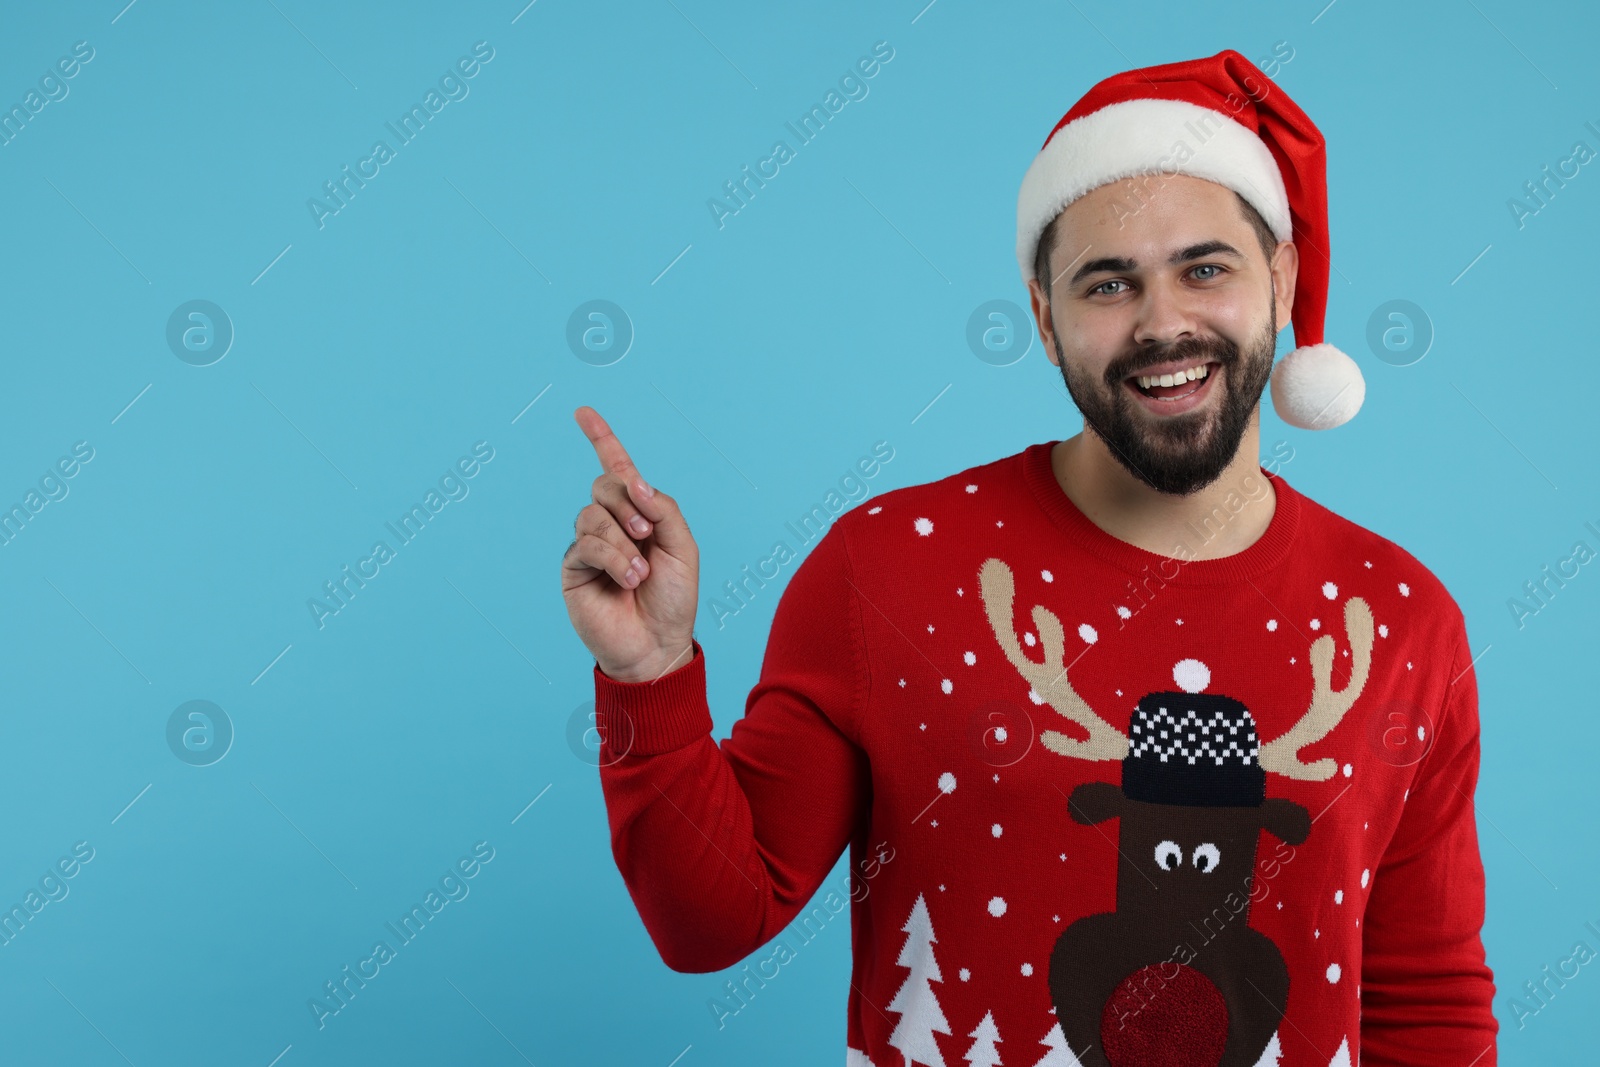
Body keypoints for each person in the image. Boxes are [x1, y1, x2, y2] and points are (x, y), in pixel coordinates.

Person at [561, 49, 1496, 1067]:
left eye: (1205, 267)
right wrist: (646, 675)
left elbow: (1425, 999)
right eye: (1107, 282)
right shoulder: (884, 569)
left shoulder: (1399, 616)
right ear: (1047, 321)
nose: (1161, 322)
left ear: (1280, 281)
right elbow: (713, 920)